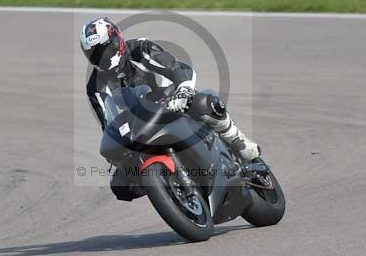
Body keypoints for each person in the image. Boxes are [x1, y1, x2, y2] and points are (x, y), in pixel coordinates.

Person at [79, 17, 260, 200]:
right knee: (121, 185)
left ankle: (239, 142)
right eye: (94, 54)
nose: (101, 57)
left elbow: (178, 69)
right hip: (141, 124)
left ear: (116, 41)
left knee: (207, 102)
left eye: (104, 50)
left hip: (173, 102)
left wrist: (183, 91)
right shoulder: (95, 86)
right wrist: (116, 149)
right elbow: (108, 123)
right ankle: (165, 188)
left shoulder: (140, 49)